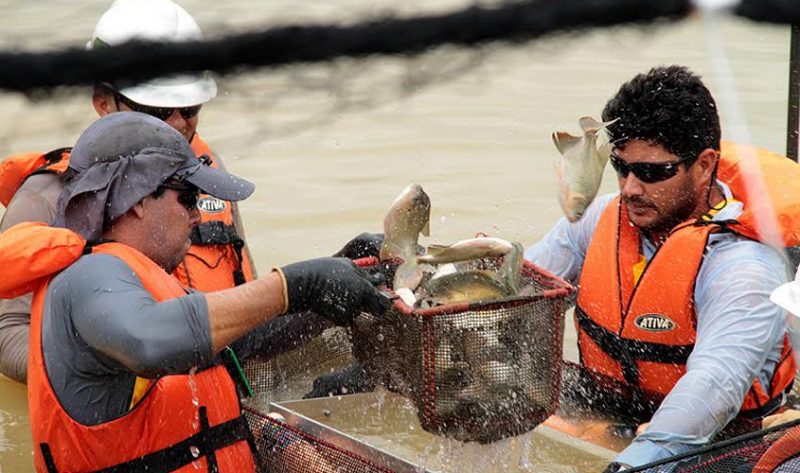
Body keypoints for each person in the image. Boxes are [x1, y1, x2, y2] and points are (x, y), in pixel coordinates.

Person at [0, 111, 389, 473]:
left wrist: (335, 277)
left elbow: (249, 337)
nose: (198, 215)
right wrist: (290, 285)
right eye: (187, 197)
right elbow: (148, 341)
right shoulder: (88, 275)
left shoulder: (143, 281)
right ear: (136, 201)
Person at [525, 65, 798, 471]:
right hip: (611, 404)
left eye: (653, 172)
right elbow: (521, 294)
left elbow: (713, 385)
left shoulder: (745, 266)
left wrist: (630, 463)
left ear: (704, 165)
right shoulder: (599, 218)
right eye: (621, 167)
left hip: (717, 439)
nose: (630, 188)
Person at [0, 0, 260, 383]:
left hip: (220, 392)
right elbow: (7, 332)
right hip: (120, 407)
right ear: (103, 101)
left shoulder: (209, 177)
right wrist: (104, 368)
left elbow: (247, 298)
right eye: (157, 111)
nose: (177, 125)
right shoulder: (46, 197)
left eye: (189, 108)